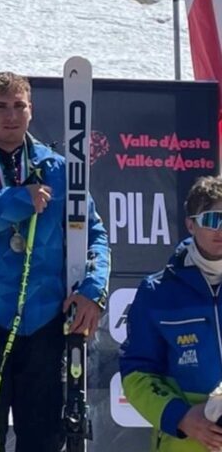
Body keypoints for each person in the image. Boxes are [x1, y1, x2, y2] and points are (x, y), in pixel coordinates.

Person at [0, 72, 110, 451]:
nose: (11, 115)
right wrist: (13, 202)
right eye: (0, 107)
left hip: (44, 324)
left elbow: (94, 235)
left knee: (44, 441)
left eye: (18, 106)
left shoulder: (62, 170)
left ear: (31, 110)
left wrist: (93, 289)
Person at [120, 175, 222, 452]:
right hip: (185, 443)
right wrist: (183, 418)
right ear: (190, 224)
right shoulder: (157, 291)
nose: (221, 229)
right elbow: (137, 374)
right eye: (212, 219)